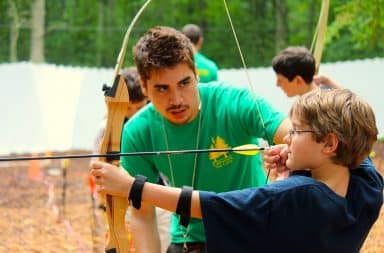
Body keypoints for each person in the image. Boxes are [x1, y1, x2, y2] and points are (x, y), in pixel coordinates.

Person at [91, 88, 383, 253]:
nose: (288, 137)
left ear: (329, 144)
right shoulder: (368, 187)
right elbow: (357, 143)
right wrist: (302, 161)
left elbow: (210, 205)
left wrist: (132, 187)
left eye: (295, 131)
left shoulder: (297, 195)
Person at [93, 26, 290, 253]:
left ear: (196, 74)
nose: (176, 99)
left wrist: (290, 148)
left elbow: (294, 133)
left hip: (252, 228)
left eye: (184, 83)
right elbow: (143, 214)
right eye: (162, 88)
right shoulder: (138, 132)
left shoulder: (233, 102)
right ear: (145, 86)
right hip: (190, 239)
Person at [90, 67, 171, 253]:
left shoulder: (155, 123)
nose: (134, 114)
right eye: (128, 108)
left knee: (165, 243)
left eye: (139, 107)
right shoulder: (107, 128)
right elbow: (97, 166)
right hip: (124, 202)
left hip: (159, 195)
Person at [272, 46, 341, 97]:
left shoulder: (321, 106)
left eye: (280, 80)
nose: (277, 84)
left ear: (298, 80)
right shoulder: (326, 94)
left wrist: (327, 80)